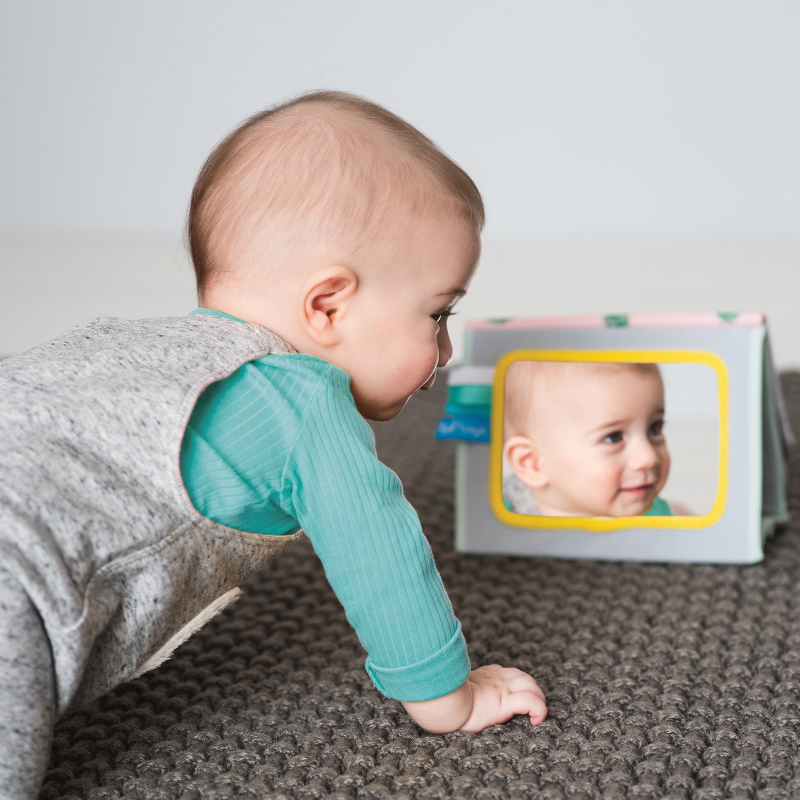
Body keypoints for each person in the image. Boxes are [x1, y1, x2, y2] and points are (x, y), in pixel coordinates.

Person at [0, 91, 547, 798]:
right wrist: (450, 698)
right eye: (438, 313)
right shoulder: (302, 397)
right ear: (327, 305)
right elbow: (379, 554)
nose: (445, 350)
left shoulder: (115, 340)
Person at [502, 360, 674, 517]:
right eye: (613, 437)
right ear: (532, 462)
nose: (649, 458)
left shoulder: (658, 516)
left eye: (654, 428)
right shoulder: (494, 525)